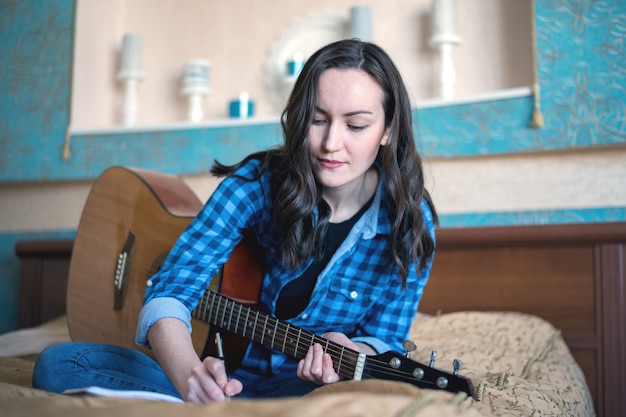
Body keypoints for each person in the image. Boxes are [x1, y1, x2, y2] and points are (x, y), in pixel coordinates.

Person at [32, 39, 438, 402]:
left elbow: (385, 341)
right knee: (60, 365)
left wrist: (354, 353)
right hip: (210, 371)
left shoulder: (410, 223)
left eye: (356, 125)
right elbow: (171, 288)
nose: (331, 143)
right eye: (317, 120)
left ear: (388, 130)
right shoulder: (256, 185)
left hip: (304, 392)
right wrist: (190, 375)